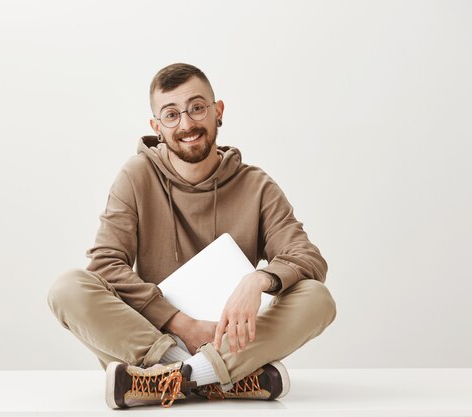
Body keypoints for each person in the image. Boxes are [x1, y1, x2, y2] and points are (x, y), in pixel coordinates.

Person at [47, 63, 337, 409]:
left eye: (197, 108)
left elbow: (307, 258)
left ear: (218, 112)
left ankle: (166, 382)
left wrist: (257, 281)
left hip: (229, 340)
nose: (186, 124)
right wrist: (181, 324)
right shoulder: (137, 175)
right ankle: (215, 378)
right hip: (152, 339)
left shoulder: (256, 186)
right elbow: (106, 264)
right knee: (67, 288)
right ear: (157, 126)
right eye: (171, 114)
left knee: (317, 298)